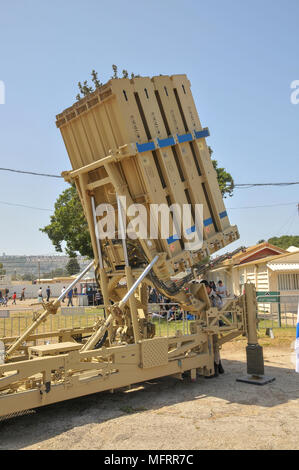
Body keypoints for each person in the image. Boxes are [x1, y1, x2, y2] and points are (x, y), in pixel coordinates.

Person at [200, 280, 224, 377]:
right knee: (207, 346)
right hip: (205, 324)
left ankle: (216, 367)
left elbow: (219, 307)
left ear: (208, 287)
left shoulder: (214, 296)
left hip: (213, 323)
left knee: (214, 346)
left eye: (204, 288)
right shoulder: (203, 297)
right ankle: (218, 366)